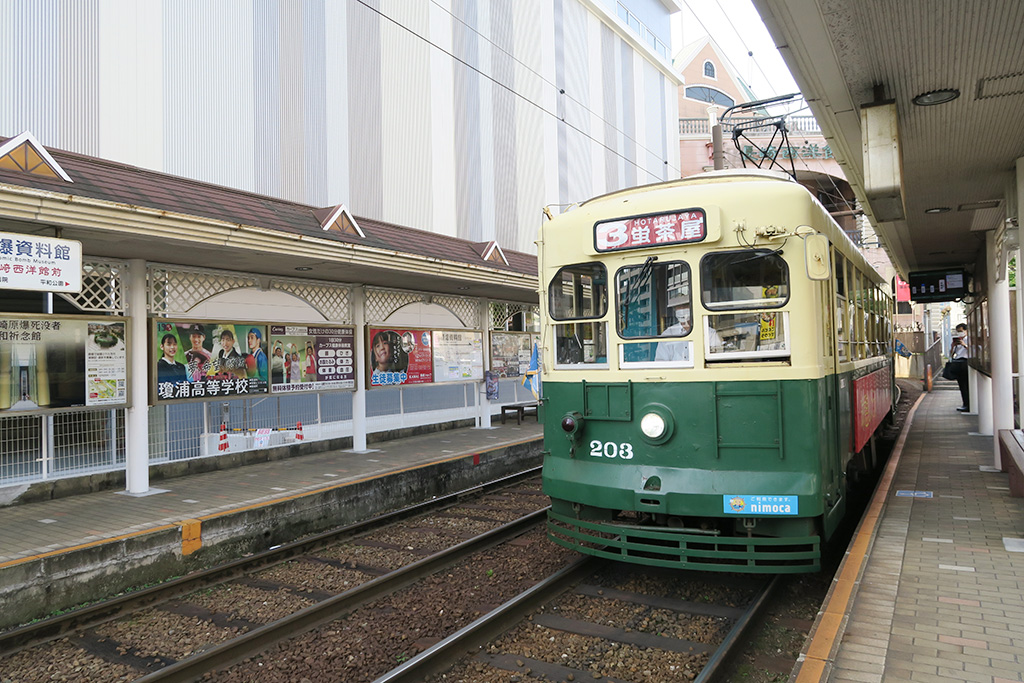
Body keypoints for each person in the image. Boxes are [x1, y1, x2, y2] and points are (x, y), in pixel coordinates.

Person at [951, 322, 970, 412]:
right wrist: (953, 347)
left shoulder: (969, 339)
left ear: (966, 331)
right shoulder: (957, 341)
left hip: (965, 362)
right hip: (958, 361)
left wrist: (964, 345)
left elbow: (974, 351)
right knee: (961, 385)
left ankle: (968, 404)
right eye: (958, 331)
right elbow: (952, 354)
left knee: (966, 385)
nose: (960, 333)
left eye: (961, 331)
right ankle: (964, 403)